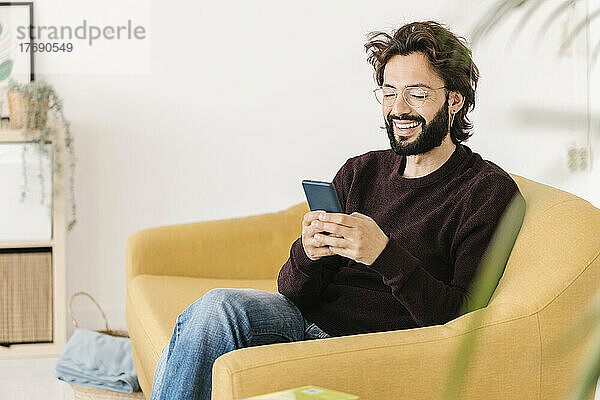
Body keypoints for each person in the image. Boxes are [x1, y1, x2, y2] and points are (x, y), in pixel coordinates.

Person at [149, 20, 525, 400]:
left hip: (368, 348)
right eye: (389, 92)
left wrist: (383, 254)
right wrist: (307, 252)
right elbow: (293, 293)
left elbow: (462, 318)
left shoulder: (486, 193)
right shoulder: (361, 171)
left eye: (417, 94)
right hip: (307, 323)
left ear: (455, 100)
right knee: (213, 310)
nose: (399, 109)